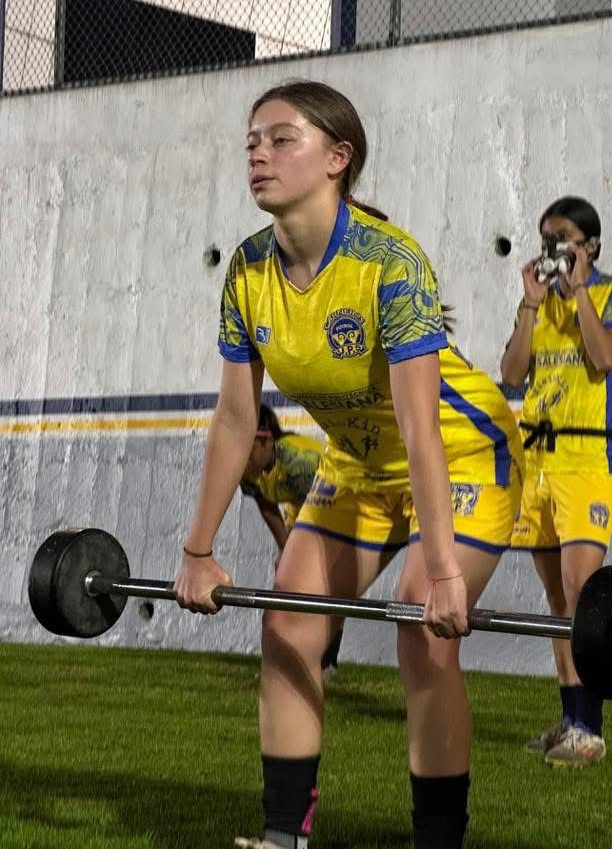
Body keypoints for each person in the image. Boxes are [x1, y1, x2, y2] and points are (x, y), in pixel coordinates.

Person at [174, 80, 524, 849]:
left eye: (281, 139)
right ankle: (284, 837)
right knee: (289, 625)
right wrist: (198, 552)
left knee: (422, 634)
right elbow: (237, 419)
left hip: (462, 453)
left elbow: (419, 427)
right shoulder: (248, 272)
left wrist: (441, 572)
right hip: (359, 467)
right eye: (251, 142)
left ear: (338, 159)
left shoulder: (389, 263)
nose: (258, 154)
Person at [501, 196, 612, 768]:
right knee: (557, 598)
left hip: (588, 458)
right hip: (537, 462)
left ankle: (591, 727)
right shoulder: (538, 301)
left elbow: (604, 357)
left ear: (591, 246)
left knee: (583, 591)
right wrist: (531, 307)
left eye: (563, 240)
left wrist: (580, 290)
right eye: (546, 240)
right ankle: (570, 719)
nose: (552, 251)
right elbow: (511, 374)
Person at [241, 404, 342, 676]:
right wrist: (285, 547)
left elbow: (323, 511)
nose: (241, 457)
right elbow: (267, 506)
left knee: (325, 585)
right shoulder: (245, 466)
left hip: (337, 506)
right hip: (300, 507)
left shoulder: (301, 461)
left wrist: (299, 553)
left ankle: (325, 662)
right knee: (287, 581)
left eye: (247, 448)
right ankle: (285, 661)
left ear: (266, 439)